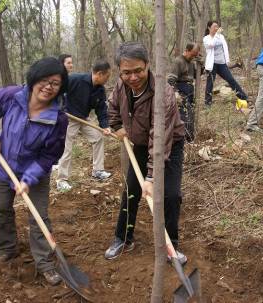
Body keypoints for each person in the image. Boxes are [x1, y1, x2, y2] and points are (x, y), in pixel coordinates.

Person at [0, 57, 68, 285]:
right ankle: (6, 249)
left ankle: (44, 262)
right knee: (2, 210)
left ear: (61, 88)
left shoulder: (58, 118)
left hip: (35, 173)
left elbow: (50, 155)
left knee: (39, 217)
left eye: (55, 83)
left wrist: (28, 179)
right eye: (44, 80)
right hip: (3, 168)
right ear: (34, 79)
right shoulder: (11, 96)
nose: (48, 87)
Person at [104, 42, 187, 264]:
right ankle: (123, 238)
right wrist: (117, 126)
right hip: (139, 145)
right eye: (126, 72)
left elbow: (159, 138)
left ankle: (171, 248)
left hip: (169, 144)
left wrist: (150, 176)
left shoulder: (163, 94)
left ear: (148, 66)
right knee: (131, 191)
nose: (133, 77)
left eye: (138, 71)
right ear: (120, 72)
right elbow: (112, 106)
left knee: (170, 195)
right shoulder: (121, 86)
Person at [55, 59, 112, 192]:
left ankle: (97, 171)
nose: (108, 79)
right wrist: (59, 108)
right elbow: (57, 90)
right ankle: (62, 180)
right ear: (99, 74)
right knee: (67, 147)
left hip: (83, 119)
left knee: (98, 138)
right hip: (68, 118)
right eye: (107, 76)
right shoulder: (75, 79)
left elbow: (101, 109)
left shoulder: (100, 90)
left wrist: (105, 126)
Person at [203, 21, 248, 106]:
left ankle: (243, 97)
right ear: (209, 27)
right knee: (210, 83)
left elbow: (225, 48)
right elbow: (211, 45)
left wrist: (227, 60)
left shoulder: (221, 36)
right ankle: (207, 103)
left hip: (221, 63)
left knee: (231, 79)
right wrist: (216, 35)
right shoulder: (206, 38)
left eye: (217, 26)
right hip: (212, 64)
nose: (216, 28)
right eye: (214, 27)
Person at [167, 42, 200, 142]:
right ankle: (186, 139)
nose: (194, 56)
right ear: (187, 51)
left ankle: (190, 138)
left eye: (196, 55)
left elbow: (197, 75)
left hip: (190, 90)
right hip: (181, 91)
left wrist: (201, 65)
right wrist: (176, 93)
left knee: (191, 113)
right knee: (186, 115)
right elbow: (171, 79)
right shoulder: (178, 61)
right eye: (193, 54)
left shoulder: (192, 62)